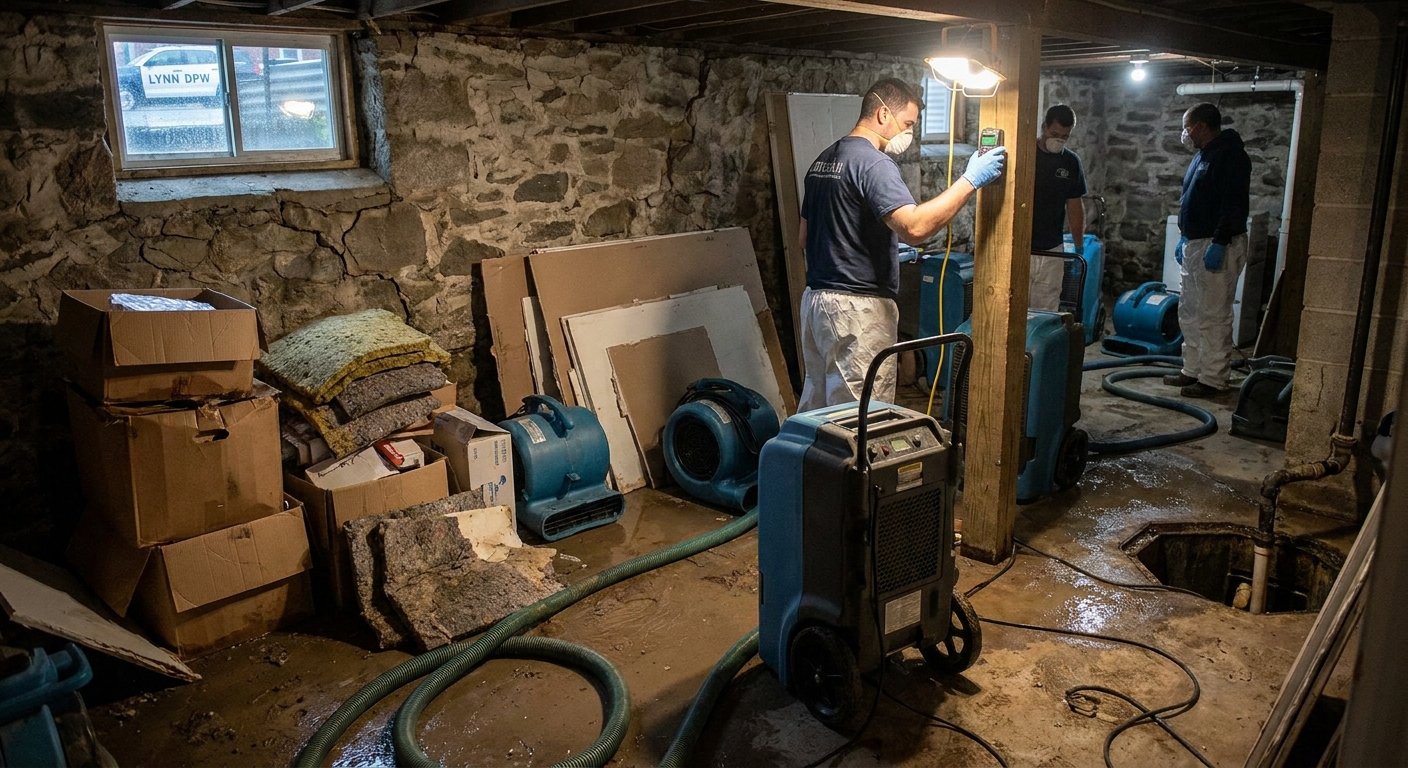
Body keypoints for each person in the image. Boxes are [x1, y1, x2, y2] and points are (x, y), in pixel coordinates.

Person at [797, 78, 1007, 411]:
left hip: (815, 304)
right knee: (861, 417)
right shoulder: (874, 163)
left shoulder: (823, 160)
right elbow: (915, 227)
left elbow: (804, 238)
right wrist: (970, 180)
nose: (909, 133)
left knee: (818, 411)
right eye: (907, 124)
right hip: (857, 310)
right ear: (883, 114)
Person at [1164, 102, 1251, 398]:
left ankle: (1213, 378)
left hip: (1216, 244)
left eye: (1187, 127)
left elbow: (1233, 203)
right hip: (1195, 243)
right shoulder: (1202, 155)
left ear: (1201, 126)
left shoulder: (1230, 156)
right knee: (1189, 310)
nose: (1185, 134)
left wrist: (1220, 241)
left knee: (1213, 314)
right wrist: (1184, 237)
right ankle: (1192, 369)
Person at [1030, 104, 1088, 311]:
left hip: (1052, 250)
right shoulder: (1026, 154)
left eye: (1064, 137)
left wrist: (1079, 247)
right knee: (1014, 305)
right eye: (1054, 134)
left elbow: (1075, 206)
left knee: (1047, 308)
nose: (1059, 140)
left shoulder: (1070, 162)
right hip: (1021, 247)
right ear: (1044, 127)